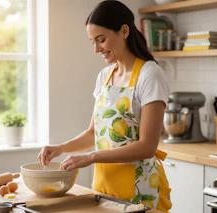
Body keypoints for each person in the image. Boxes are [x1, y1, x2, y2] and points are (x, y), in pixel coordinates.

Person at [38, 0, 172, 212]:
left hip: (139, 192)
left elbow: (147, 147)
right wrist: (61, 148)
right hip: (103, 189)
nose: (96, 49)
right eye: (92, 41)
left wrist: (91, 157)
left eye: (101, 40)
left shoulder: (150, 75)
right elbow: (94, 133)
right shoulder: (104, 77)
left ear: (124, 31)